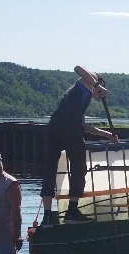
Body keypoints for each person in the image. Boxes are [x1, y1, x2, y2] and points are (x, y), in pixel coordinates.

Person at [40, 65, 119, 224]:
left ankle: (47, 216)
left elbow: (83, 126)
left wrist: (108, 135)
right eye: (99, 91)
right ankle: (71, 212)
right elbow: (77, 67)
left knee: (50, 167)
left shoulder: (78, 97)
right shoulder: (86, 84)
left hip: (56, 124)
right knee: (79, 167)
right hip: (67, 124)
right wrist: (97, 84)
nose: (99, 95)